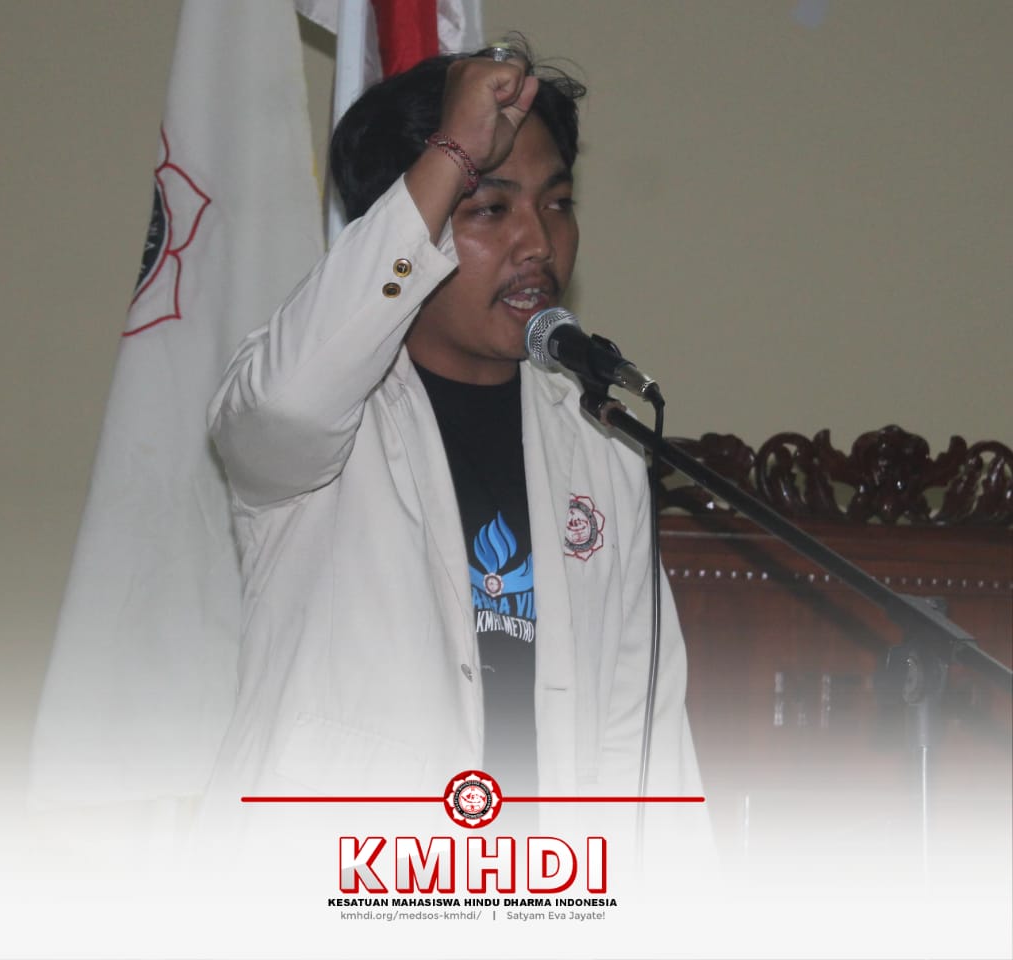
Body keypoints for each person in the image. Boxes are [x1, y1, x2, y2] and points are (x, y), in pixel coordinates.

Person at [203, 40, 702, 823]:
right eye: (490, 209)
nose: (538, 244)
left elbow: (645, 751)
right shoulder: (321, 412)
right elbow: (285, 407)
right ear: (408, 228)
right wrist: (451, 155)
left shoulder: (601, 445)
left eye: (557, 204)